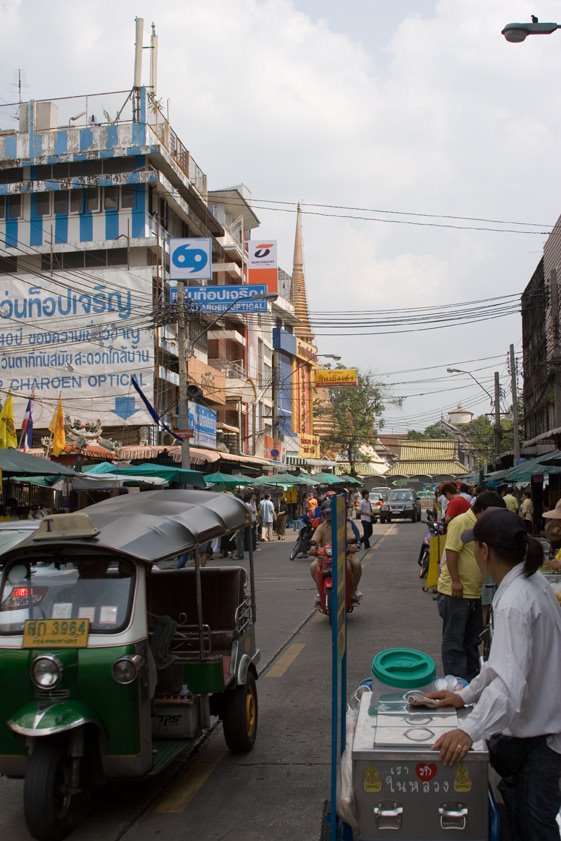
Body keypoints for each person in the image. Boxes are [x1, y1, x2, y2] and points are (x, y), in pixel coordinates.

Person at [429, 508, 561, 841]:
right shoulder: (530, 584)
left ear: (484, 550)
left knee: (536, 828)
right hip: (537, 731)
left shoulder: (516, 600)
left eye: (475, 547)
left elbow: (509, 683)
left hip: (542, 740)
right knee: (522, 819)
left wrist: (469, 730)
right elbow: (500, 663)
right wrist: (465, 695)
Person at [437, 490, 505, 682]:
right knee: (454, 641)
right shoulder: (461, 522)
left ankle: (471, 680)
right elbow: (451, 553)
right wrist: (456, 581)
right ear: (482, 509)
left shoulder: (481, 526)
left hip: (474, 592)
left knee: (472, 640)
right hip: (456, 592)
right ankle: (455, 683)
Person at [309, 502, 362, 601]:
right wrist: (313, 548)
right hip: (325, 556)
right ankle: (320, 592)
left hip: (344, 554)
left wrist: (353, 546)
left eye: (331, 513)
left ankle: (354, 590)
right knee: (313, 566)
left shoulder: (345, 525)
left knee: (356, 564)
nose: (329, 516)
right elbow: (314, 540)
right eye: (327, 513)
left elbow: (352, 538)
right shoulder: (321, 527)